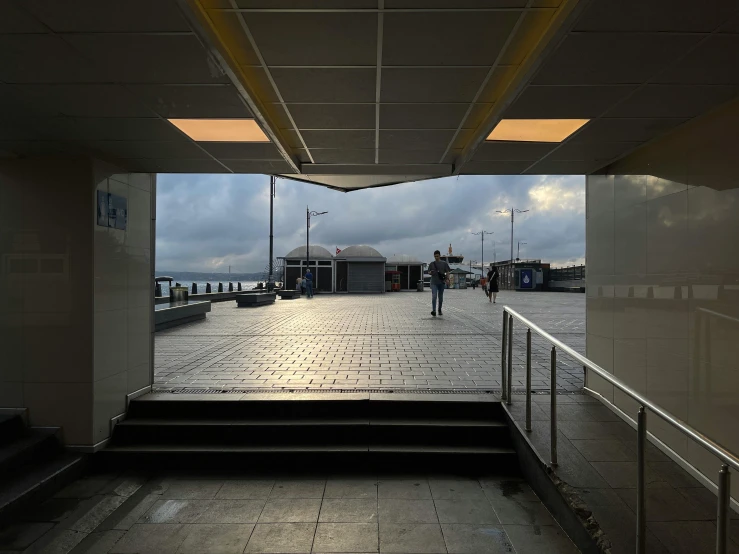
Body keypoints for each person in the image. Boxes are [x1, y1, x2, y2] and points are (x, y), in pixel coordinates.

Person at [428, 249, 451, 317]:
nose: (436, 257)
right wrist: (430, 272)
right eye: (435, 256)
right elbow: (428, 272)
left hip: (441, 282)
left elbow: (448, 272)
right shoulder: (432, 264)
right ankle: (434, 310)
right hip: (434, 282)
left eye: (437, 256)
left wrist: (447, 279)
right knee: (434, 296)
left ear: (439, 255)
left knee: (440, 297)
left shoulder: (444, 263)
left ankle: (439, 309)